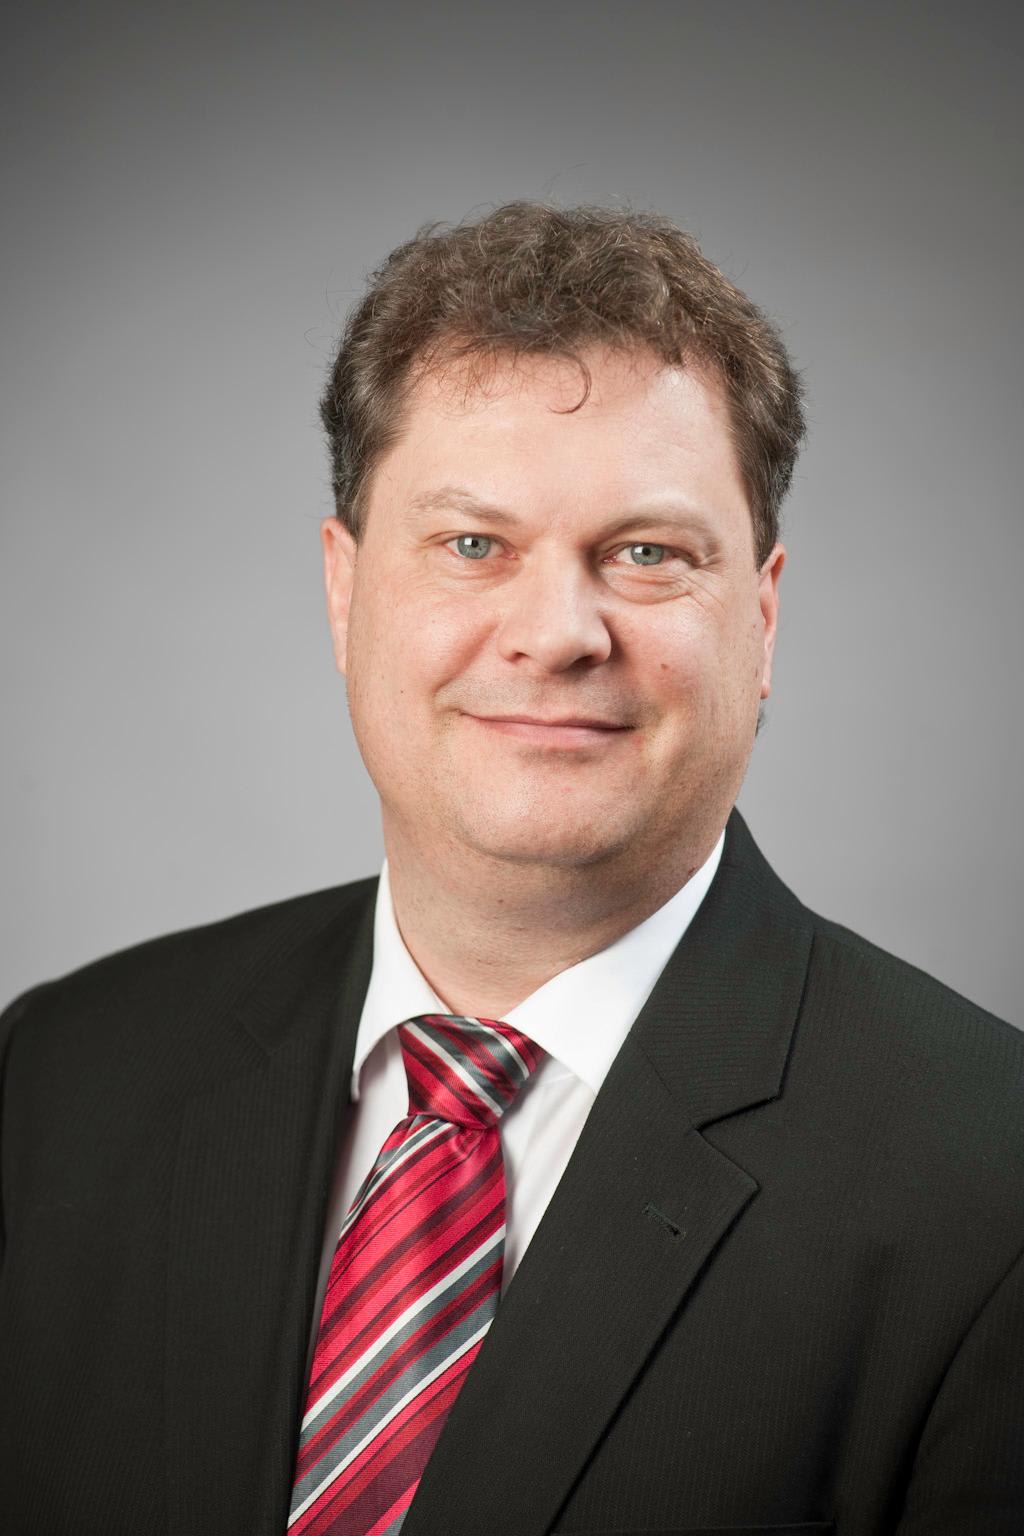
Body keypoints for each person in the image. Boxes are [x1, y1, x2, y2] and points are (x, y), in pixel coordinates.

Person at [1, 201, 1021, 1536]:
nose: (556, 633)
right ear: (345, 594)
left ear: (762, 618)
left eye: (646, 554)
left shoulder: (990, 1187)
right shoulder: (58, 1080)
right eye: (472, 544)